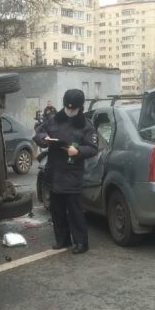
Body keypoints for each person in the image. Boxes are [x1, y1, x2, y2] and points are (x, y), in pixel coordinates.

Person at [34, 89, 97, 254]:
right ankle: (62, 240)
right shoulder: (53, 119)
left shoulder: (86, 125)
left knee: (75, 211)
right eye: (68, 108)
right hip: (54, 172)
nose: (70, 111)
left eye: (73, 109)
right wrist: (44, 139)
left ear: (79, 108)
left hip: (72, 173)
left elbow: (92, 148)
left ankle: (81, 243)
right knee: (57, 211)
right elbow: (39, 132)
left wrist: (78, 151)